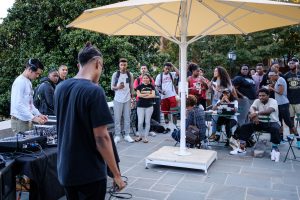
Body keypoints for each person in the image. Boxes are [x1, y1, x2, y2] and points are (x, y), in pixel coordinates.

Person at [54, 42, 125, 199]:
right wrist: (116, 174)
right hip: (89, 172)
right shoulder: (94, 91)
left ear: (79, 64)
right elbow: (102, 137)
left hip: (65, 169)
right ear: (98, 63)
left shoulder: (60, 88)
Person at [231, 88, 281, 162]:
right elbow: (252, 108)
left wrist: (256, 113)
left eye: (263, 96)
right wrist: (254, 116)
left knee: (275, 129)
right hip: (259, 122)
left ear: (268, 95)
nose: (261, 97)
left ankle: (275, 150)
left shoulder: (273, 101)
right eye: (259, 96)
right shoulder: (257, 101)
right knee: (244, 127)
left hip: (272, 122)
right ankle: (242, 148)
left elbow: (268, 111)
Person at [10, 58, 48, 134]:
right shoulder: (20, 82)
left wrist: (39, 114)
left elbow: (29, 104)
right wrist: (34, 118)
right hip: (20, 121)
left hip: (27, 120)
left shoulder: (28, 82)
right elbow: (17, 104)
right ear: (30, 70)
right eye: (37, 73)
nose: (37, 76)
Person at [268, 71, 297, 141]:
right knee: (279, 121)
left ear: (274, 75)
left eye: (270, 77)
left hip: (283, 103)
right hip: (278, 104)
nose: (270, 78)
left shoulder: (280, 79)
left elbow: (281, 92)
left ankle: (298, 138)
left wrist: (272, 89)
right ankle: (281, 138)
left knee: (288, 122)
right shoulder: (277, 80)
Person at [111, 58, 134, 144]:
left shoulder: (130, 74)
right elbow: (112, 87)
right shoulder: (115, 74)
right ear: (119, 65)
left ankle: (127, 135)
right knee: (117, 119)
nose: (123, 66)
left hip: (127, 99)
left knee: (127, 118)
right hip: (117, 99)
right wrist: (118, 87)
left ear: (126, 65)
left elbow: (131, 87)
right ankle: (117, 136)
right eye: (121, 65)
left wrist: (132, 98)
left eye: (124, 65)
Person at [209, 66, 234, 140]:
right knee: (214, 117)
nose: (214, 72)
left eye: (216, 71)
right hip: (215, 99)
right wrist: (210, 85)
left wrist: (220, 89)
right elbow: (211, 90)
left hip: (225, 101)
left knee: (225, 117)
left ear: (220, 72)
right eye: (214, 71)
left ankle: (228, 136)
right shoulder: (214, 79)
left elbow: (230, 90)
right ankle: (214, 134)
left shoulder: (226, 80)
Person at [135, 74, 156, 143]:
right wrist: (148, 95)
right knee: (140, 122)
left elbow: (153, 95)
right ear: (142, 79)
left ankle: (146, 137)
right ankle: (140, 136)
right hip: (140, 106)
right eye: (144, 78)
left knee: (147, 122)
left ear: (149, 79)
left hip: (149, 107)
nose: (145, 79)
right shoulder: (139, 86)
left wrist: (143, 95)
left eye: (147, 78)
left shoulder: (152, 86)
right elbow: (138, 95)